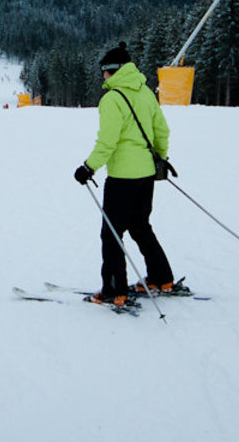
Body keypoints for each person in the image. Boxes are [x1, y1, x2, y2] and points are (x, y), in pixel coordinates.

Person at [72, 42, 176, 306]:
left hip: (122, 179)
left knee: (112, 233)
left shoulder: (112, 99)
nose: (102, 77)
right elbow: (161, 131)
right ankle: (161, 278)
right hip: (146, 175)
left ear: (113, 71)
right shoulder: (145, 93)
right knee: (141, 226)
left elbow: (108, 141)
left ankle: (115, 291)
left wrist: (88, 167)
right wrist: (160, 160)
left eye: (104, 72)